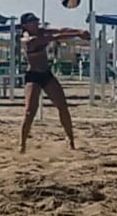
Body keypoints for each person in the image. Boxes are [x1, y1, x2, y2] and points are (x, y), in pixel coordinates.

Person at [17, 12, 89, 154]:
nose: (36, 24)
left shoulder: (41, 32)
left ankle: (71, 140)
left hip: (46, 74)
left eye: (36, 21)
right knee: (30, 111)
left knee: (62, 106)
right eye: (33, 22)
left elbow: (60, 31)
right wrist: (77, 33)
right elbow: (52, 37)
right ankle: (22, 144)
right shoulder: (26, 39)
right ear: (25, 25)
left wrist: (78, 31)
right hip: (33, 76)